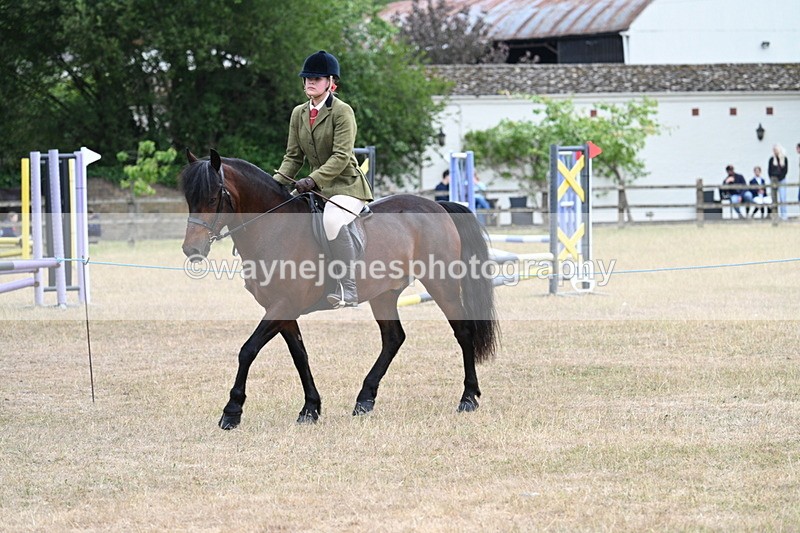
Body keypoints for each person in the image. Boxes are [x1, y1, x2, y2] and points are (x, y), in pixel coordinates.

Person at [274, 50, 373, 308]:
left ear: (331, 81)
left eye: (316, 78)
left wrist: (312, 179)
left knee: (331, 219)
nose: (309, 82)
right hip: (317, 187)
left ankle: (349, 289)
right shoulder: (298, 113)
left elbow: (341, 156)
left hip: (347, 185)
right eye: (306, 78)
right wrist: (275, 184)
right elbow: (293, 156)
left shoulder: (342, 112)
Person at [768, 144, 788, 220]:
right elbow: (769, 171)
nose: (774, 151)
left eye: (776, 150)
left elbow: (785, 171)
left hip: (782, 180)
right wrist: (773, 178)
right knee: (774, 198)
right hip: (773, 180)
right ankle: (775, 215)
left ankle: (784, 216)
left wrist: (779, 178)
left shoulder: (784, 159)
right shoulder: (771, 160)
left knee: (783, 198)